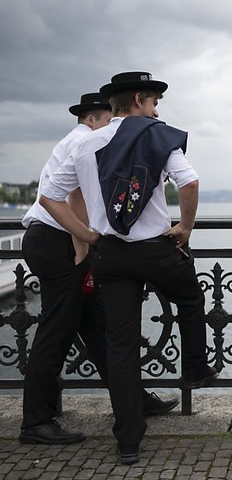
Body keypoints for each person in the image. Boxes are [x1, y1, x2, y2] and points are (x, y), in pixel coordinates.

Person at [39, 72, 218, 464]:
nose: (156, 110)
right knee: (190, 297)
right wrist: (185, 227)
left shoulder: (86, 143)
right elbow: (189, 183)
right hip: (154, 250)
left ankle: (128, 441)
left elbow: (51, 197)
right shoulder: (156, 134)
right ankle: (195, 370)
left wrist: (88, 233)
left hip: (111, 256)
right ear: (139, 99)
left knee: (120, 346)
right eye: (154, 101)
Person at [18, 93, 180, 447]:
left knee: (99, 328)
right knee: (55, 331)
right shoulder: (85, 142)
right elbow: (69, 197)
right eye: (109, 120)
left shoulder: (79, 141)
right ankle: (35, 421)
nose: (114, 129)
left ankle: (133, 402)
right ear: (93, 119)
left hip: (58, 241)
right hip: (57, 242)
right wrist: (87, 239)